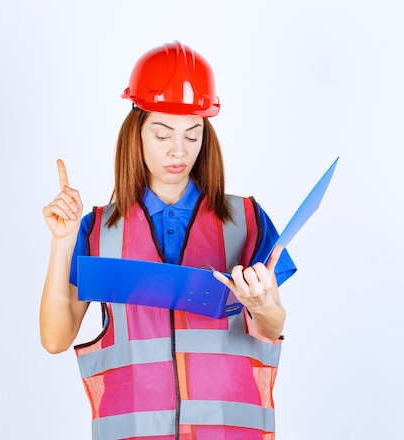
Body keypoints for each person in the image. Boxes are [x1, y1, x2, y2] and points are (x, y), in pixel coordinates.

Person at [40, 41, 296, 440]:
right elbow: (56, 338)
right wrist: (62, 242)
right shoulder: (97, 230)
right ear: (137, 133)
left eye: (193, 135)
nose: (179, 151)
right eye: (163, 135)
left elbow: (273, 322)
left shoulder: (246, 220)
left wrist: (262, 306)